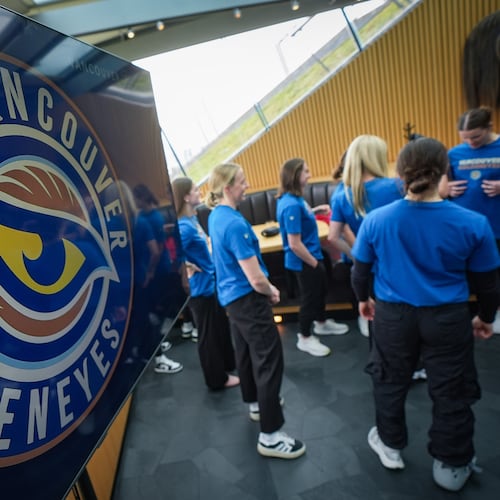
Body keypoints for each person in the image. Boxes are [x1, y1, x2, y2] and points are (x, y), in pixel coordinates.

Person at [350, 138, 499, 492]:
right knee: (452, 390)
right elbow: (489, 284)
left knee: (389, 381)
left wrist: (362, 301)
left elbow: (359, 272)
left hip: (392, 318)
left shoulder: (376, 220)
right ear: (445, 173)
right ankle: (452, 466)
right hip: (447, 319)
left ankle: (390, 445)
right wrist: (485, 317)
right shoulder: (473, 223)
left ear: (400, 175)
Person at [207, 162, 305, 459]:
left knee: (246, 354)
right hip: (249, 300)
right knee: (268, 361)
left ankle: (254, 403)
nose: (247, 184)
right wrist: (272, 291)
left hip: (232, 301)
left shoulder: (216, 216)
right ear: (227, 188)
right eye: (241, 181)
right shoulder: (235, 224)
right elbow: (255, 278)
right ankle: (271, 435)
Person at [328, 135, 403, 338]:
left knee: (378, 324)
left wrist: (359, 257)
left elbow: (333, 237)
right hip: (400, 267)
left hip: (369, 272)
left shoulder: (341, 196)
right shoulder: (396, 187)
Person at [276, 158, 349, 357]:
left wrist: (315, 211)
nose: (309, 175)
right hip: (304, 260)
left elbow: (302, 217)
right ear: (295, 175)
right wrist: (314, 263)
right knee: (309, 299)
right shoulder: (290, 204)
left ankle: (321, 323)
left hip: (311, 255)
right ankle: (305, 337)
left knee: (319, 291)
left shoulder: (296, 199)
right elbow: (294, 244)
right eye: (306, 172)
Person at [172, 177, 239, 390]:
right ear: (185, 196)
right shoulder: (184, 226)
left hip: (210, 285)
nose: (199, 191)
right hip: (199, 290)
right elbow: (170, 255)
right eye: (194, 190)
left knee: (219, 328)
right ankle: (216, 380)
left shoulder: (192, 219)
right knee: (208, 336)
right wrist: (187, 265)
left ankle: (228, 365)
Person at [447, 107, 500, 333]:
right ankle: (475, 315)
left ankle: (493, 313)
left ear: (489, 127)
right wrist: (447, 188)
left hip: (496, 225)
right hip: (463, 229)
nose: (471, 143)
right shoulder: (454, 154)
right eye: (465, 138)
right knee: (467, 275)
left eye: (476, 137)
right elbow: (440, 189)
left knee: (494, 275)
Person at [133, 183, 183, 374]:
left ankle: (158, 343)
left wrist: (151, 271)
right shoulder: (144, 218)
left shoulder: (151, 218)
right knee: (153, 311)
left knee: (157, 309)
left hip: (156, 269)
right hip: (149, 270)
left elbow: (158, 248)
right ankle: (156, 344)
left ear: (142, 198)